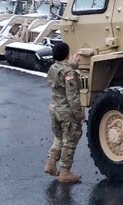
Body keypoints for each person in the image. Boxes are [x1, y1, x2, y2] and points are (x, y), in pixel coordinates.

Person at [43, 42, 85, 183]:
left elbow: (62, 70)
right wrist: (79, 115)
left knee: (59, 138)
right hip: (66, 112)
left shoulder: (53, 68)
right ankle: (65, 172)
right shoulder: (69, 73)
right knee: (70, 141)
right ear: (67, 54)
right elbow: (72, 97)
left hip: (54, 109)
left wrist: (73, 63)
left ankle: (50, 163)